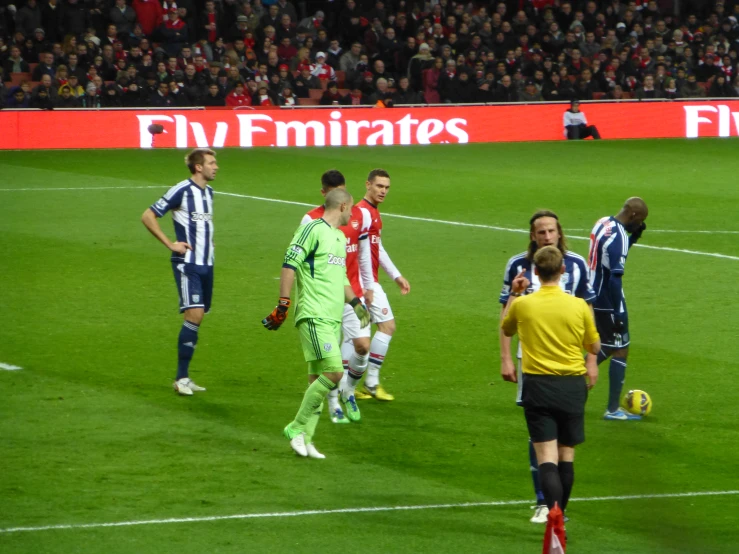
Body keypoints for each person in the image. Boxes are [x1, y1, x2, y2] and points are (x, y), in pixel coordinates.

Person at [499, 210, 596, 524]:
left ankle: (549, 505)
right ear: (533, 235)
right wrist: (504, 357)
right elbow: (591, 330)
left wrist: (591, 362)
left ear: (559, 232)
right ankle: (549, 505)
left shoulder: (578, 266)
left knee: (544, 440)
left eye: (551, 231)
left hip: (546, 372)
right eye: (541, 232)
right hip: (543, 365)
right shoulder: (517, 264)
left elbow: (507, 321)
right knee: (558, 447)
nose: (547, 236)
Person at [263, 188, 370, 459]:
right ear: (343, 206)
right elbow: (289, 265)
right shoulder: (313, 230)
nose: (353, 213)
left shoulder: (337, 237)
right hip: (313, 314)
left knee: (316, 381)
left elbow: (341, 278)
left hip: (332, 318)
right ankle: (295, 426)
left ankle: (305, 439)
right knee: (334, 374)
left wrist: (357, 305)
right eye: (351, 208)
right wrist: (283, 303)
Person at [141, 149, 218, 396]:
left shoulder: (209, 193)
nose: (216, 167)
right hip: (187, 264)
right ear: (198, 167)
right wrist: (170, 243)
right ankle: (180, 378)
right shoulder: (181, 190)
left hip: (208, 263)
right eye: (211, 163)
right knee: (193, 315)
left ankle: (184, 377)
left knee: (199, 317)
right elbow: (148, 215)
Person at [299, 170, 373, 424]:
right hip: (324, 299)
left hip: (352, 291)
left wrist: (369, 287)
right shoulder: (310, 221)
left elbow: (363, 253)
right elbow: (299, 263)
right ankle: (332, 403)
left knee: (363, 347)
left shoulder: (355, 216)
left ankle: (348, 391)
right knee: (329, 362)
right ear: (324, 194)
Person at [587, 197, 649, 420]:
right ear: (633, 216)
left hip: (591, 292)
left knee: (608, 344)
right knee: (620, 346)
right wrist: (618, 312)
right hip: (607, 299)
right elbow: (615, 278)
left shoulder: (603, 223)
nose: (640, 223)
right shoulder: (619, 236)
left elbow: (610, 254)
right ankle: (611, 409)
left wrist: (634, 238)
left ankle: (575, 383)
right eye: (640, 220)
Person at [354, 169, 411, 402]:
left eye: (387, 187)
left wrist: (396, 275)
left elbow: (377, 248)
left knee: (360, 333)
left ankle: (356, 384)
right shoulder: (363, 213)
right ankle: (367, 383)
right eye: (379, 186)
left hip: (365, 283)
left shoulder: (373, 213)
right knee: (382, 328)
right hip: (362, 284)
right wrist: (366, 285)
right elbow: (357, 249)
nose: (383, 191)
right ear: (368, 184)